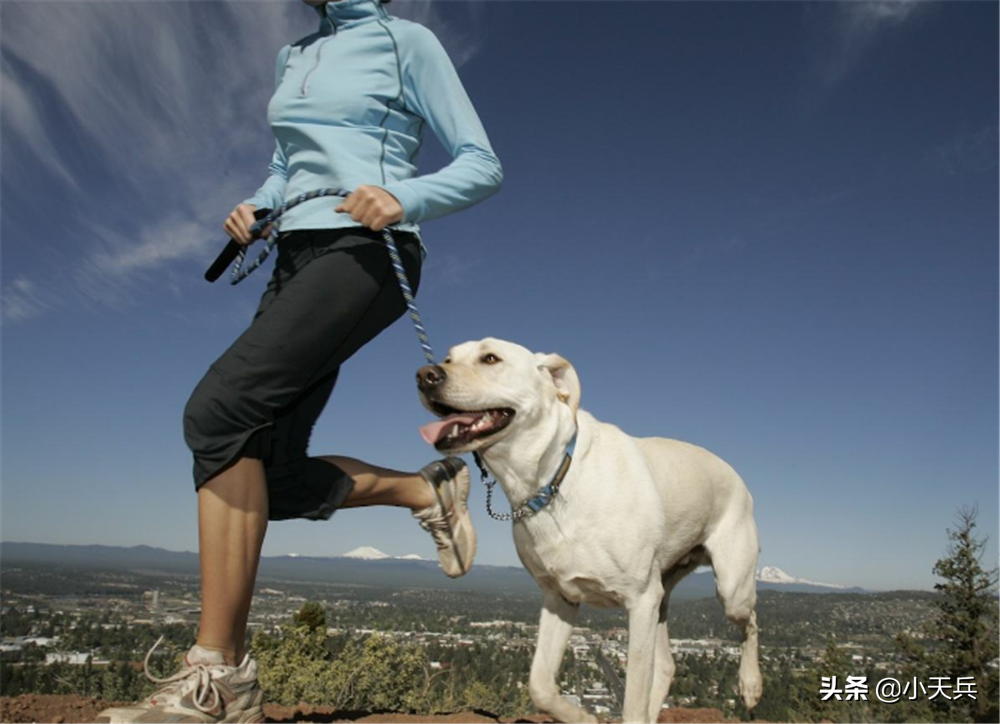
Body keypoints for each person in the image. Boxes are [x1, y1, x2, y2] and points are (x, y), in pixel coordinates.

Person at [97, 1, 501, 721]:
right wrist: (258, 205)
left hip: (365, 252)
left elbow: (482, 164)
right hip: (294, 253)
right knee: (267, 478)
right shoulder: (294, 54)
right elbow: (288, 164)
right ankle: (425, 492)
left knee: (219, 411)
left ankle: (218, 678)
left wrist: (403, 194)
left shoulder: (406, 41)